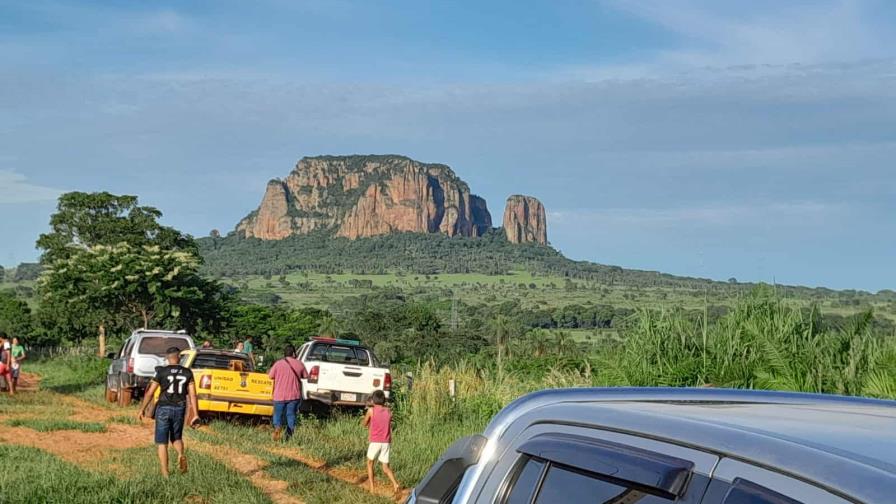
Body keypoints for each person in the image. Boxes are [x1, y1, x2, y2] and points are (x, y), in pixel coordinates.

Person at [138, 346, 199, 477]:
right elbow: (193, 395)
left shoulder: (161, 372)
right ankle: (180, 454)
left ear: (167, 358)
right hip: (180, 407)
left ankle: (165, 474)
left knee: (162, 442)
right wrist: (195, 414)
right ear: (179, 357)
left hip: (164, 408)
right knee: (176, 437)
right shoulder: (187, 372)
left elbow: (150, 392)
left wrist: (142, 409)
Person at [362, 390, 400, 494]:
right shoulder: (389, 411)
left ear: (373, 400)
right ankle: (395, 484)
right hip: (386, 442)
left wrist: (368, 418)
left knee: (370, 463)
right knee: (385, 467)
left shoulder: (371, 410)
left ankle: (372, 488)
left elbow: (364, 423)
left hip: (375, 441)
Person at [267, 344, 307, 441]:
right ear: (294, 353)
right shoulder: (299, 364)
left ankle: (277, 427)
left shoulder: (278, 363)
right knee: (291, 414)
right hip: (294, 395)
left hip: (279, 395)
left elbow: (270, 376)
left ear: (284, 353)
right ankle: (289, 435)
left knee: (277, 414)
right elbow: (305, 376)